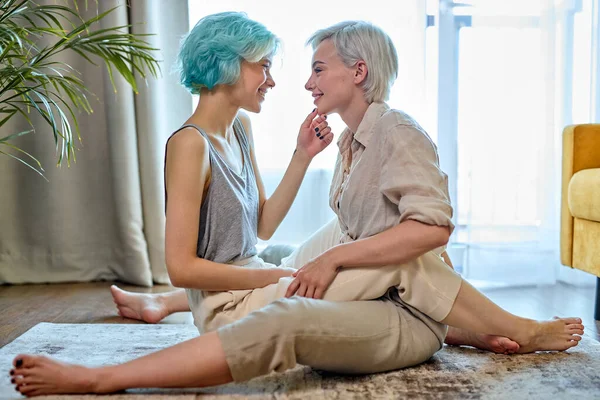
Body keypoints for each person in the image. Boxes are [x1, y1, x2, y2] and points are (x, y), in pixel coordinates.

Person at [9, 14, 584, 397]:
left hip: (245, 276)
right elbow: (183, 264)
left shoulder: (238, 134)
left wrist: (302, 158)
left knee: (342, 239)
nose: (276, 82)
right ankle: (107, 374)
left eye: (306, 69)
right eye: (264, 66)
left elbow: (259, 223)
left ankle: (166, 306)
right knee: (348, 254)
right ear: (229, 65)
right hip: (225, 294)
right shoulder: (187, 145)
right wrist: (285, 273)